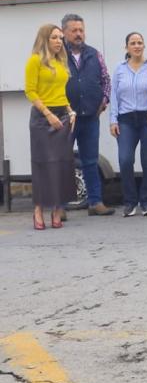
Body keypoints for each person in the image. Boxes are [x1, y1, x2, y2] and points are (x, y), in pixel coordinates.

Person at [24, 24, 77, 230]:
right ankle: (38, 210)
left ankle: (57, 209)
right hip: (41, 117)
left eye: (60, 38)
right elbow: (30, 91)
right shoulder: (35, 60)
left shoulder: (61, 61)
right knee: (42, 165)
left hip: (62, 115)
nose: (58, 41)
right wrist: (47, 114)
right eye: (54, 37)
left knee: (62, 164)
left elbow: (61, 92)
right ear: (45, 39)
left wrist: (70, 111)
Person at [62, 13, 115, 216]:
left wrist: (103, 102)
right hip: (66, 117)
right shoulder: (58, 54)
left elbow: (106, 79)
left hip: (90, 117)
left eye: (81, 30)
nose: (78, 34)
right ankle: (60, 206)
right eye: (74, 30)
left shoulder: (94, 54)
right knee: (62, 160)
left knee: (90, 161)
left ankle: (95, 202)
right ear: (64, 32)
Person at [109, 32, 147, 217]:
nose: (137, 46)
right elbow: (114, 95)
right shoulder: (120, 69)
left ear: (144, 45)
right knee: (125, 159)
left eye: (140, 42)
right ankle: (130, 202)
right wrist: (113, 120)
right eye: (133, 43)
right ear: (127, 47)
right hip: (126, 119)